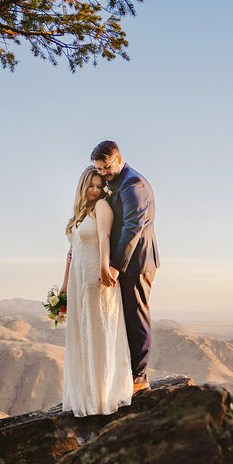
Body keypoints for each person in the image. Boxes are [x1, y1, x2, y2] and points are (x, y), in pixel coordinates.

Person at [58, 167, 132, 416]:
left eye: (100, 186)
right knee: (81, 334)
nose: (96, 190)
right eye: (91, 185)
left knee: (98, 334)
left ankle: (101, 399)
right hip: (79, 281)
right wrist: (64, 288)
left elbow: (105, 237)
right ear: (83, 185)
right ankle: (85, 395)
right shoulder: (78, 216)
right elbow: (71, 254)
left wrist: (104, 268)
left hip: (96, 278)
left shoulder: (102, 207)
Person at [91, 140, 159, 393]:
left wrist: (116, 266)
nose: (103, 172)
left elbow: (132, 228)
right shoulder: (112, 182)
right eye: (98, 168)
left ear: (119, 159)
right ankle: (126, 374)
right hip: (122, 261)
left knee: (136, 316)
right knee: (124, 317)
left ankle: (139, 378)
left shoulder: (134, 184)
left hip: (137, 262)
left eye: (106, 167)